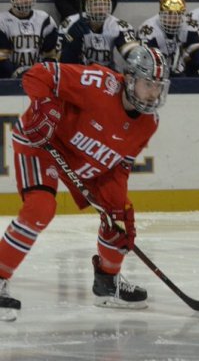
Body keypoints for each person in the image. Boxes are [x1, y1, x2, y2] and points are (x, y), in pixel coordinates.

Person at [0, 46, 170, 321]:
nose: (154, 93)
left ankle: (107, 283)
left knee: (120, 218)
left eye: (158, 86)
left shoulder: (149, 122)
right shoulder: (99, 84)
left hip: (81, 163)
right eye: (148, 84)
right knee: (40, 207)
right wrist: (45, 106)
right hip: (43, 142)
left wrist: (114, 211)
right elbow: (38, 74)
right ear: (129, 78)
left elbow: (119, 167)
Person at [57, 0, 139, 72]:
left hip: (107, 75)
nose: (100, 8)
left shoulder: (119, 26)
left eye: (104, 4)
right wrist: (71, 41)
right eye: (95, 4)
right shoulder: (70, 23)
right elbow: (59, 62)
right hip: (79, 74)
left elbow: (136, 58)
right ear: (87, 6)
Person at [138, 0, 199, 77]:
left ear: (182, 15)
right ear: (160, 14)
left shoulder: (191, 26)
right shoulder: (148, 29)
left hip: (184, 76)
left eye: (177, 16)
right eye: (168, 15)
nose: (173, 20)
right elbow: (145, 62)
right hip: (155, 78)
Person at [0, 0, 58, 78]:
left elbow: (51, 56)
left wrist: (40, 73)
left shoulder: (46, 20)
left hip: (39, 78)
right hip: (9, 79)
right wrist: (18, 72)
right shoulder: (2, 22)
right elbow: (2, 59)